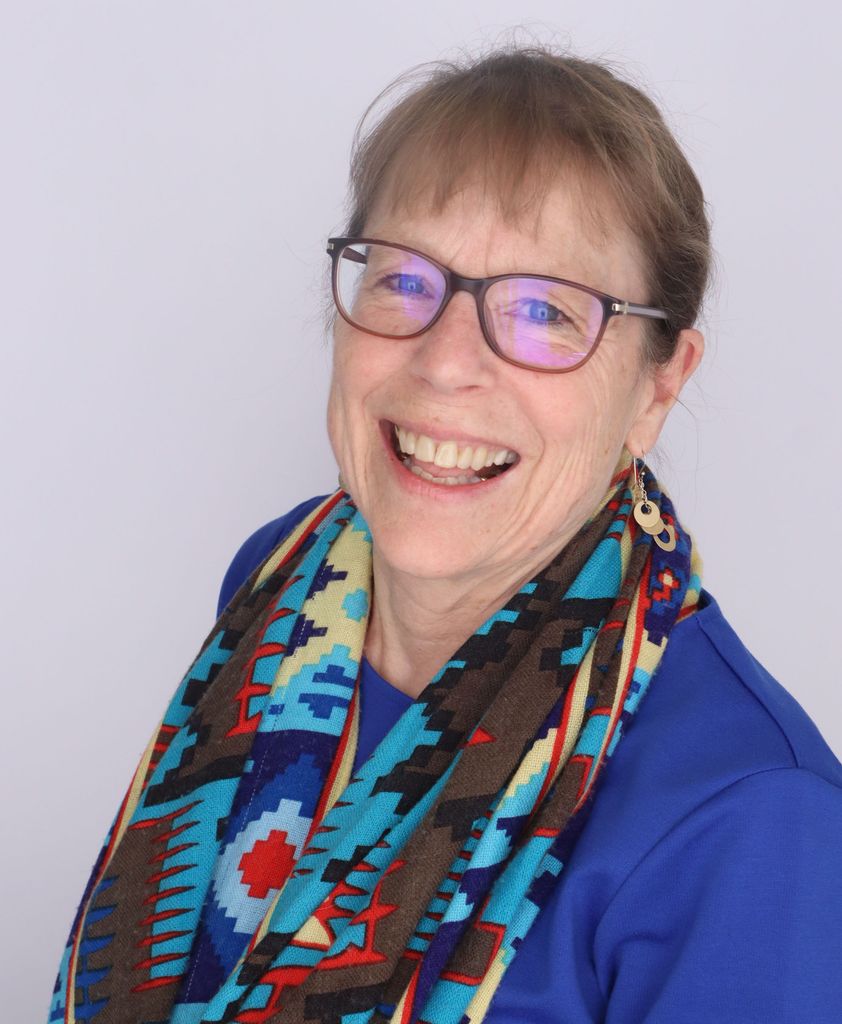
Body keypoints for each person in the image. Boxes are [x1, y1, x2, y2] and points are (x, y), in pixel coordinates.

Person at [50, 45, 842, 1024]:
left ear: (658, 381)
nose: (445, 362)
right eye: (402, 279)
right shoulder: (279, 582)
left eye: (544, 309)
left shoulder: (752, 819)